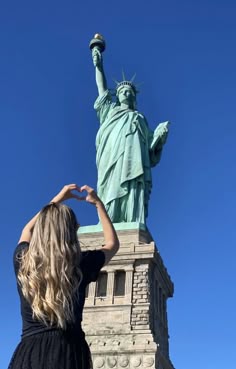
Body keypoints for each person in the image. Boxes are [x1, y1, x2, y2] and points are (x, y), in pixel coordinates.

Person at [8, 184, 119, 369]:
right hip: (69, 353)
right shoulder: (80, 264)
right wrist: (99, 204)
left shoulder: (23, 260)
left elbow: (27, 230)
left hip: (29, 353)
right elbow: (112, 244)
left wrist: (58, 197)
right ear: (72, 232)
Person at [92, 46, 169, 224]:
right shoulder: (109, 110)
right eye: (121, 91)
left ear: (134, 97)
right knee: (111, 187)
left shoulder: (140, 118)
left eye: (129, 92)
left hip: (134, 163)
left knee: (133, 185)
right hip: (112, 158)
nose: (126, 93)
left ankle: (132, 220)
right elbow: (102, 88)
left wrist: (159, 139)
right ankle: (107, 223)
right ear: (117, 97)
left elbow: (150, 151)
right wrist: (98, 66)